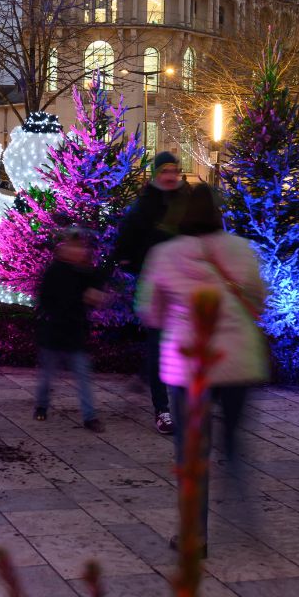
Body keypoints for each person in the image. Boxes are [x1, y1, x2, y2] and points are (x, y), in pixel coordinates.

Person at [137, 183, 269, 553]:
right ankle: (247, 519)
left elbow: (149, 310)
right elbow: (259, 297)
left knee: (192, 453)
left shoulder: (164, 255)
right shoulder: (240, 249)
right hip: (238, 361)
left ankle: (195, 534)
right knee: (232, 443)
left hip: (190, 365)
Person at [108, 150, 186, 434]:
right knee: (157, 344)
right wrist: (130, 261)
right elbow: (126, 238)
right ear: (156, 174)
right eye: (164, 171)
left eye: (172, 171)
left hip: (182, 283)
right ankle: (162, 410)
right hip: (155, 284)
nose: (169, 176)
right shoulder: (144, 205)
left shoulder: (185, 202)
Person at [33, 228, 104, 430]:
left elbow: (96, 290)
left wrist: (94, 298)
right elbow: (45, 300)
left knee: (83, 376)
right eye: (73, 246)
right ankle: (41, 405)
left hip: (75, 334)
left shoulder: (88, 273)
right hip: (54, 333)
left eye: (80, 247)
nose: (77, 251)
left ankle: (90, 417)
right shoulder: (55, 271)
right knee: (47, 376)